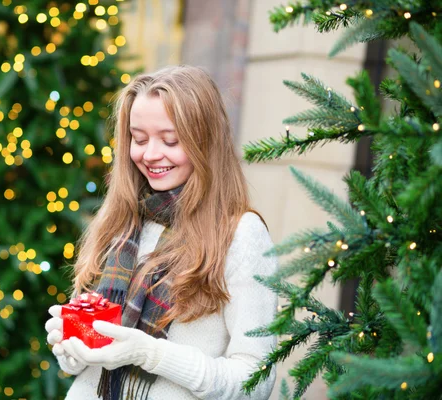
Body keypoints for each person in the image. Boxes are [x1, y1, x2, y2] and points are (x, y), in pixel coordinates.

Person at [44, 65, 278, 400]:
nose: (150, 155)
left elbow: (256, 382)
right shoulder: (121, 221)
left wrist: (150, 354)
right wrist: (71, 347)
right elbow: (84, 371)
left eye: (170, 140)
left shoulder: (241, 235)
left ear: (205, 141)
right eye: (139, 139)